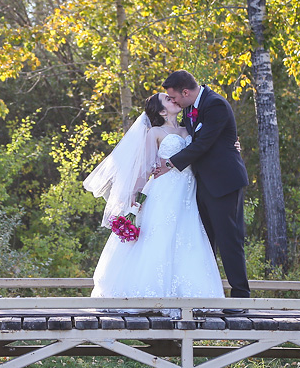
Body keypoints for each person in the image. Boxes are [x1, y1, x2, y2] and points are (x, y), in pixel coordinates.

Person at [84, 93, 224, 313]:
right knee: (159, 237)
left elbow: (205, 147)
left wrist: (230, 145)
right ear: (161, 111)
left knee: (188, 237)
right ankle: (151, 295)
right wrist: (135, 194)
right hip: (164, 190)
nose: (174, 100)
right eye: (168, 100)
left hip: (188, 191)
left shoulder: (189, 128)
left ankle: (188, 295)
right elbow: (147, 166)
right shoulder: (155, 132)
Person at [157, 70, 251, 307]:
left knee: (229, 240)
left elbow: (203, 144)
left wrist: (170, 164)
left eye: (174, 97)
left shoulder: (216, 104)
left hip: (223, 182)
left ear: (185, 92)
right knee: (204, 241)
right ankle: (207, 296)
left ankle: (240, 300)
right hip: (201, 184)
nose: (173, 102)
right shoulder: (189, 108)